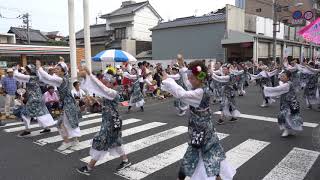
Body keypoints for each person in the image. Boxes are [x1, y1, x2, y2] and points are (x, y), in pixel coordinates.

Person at [161, 60, 236, 180]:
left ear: (199, 78)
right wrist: (181, 65)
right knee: (211, 157)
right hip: (206, 129)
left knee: (191, 157)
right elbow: (187, 81)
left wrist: (167, 81)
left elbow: (182, 94)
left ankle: (182, 177)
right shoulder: (202, 84)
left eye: (192, 78)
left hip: (200, 131)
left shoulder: (200, 92)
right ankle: (216, 177)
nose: (189, 80)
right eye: (190, 77)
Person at [76, 68, 131, 175]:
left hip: (111, 122)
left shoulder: (113, 93)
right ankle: (125, 160)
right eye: (105, 81)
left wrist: (90, 75)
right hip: (111, 121)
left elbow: (102, 88)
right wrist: (93, 101)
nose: (105, 83)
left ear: (112, 83)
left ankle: (89, 167)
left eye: (107, 82)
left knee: (101, 141)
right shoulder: (108, 94)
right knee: (116, 142)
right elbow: (102, 104)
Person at [36, 60, 81, 151]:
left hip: (68, 105)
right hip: (69, 104)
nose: (55, 70)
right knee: (71, 122)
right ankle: (75, 140)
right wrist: (40, 71)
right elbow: (46, 79)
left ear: (63, 71)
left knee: (60, 124)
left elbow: (47, 77)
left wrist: (39, 67)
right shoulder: (64, 78)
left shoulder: (61, 79)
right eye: (56, 68)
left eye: (58, 68)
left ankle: (67, 142)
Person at [13, 64, 56, 136]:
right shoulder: (37, 77)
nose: (25, 71)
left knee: (24, 113)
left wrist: (16, 69)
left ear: (30, 71)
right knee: (40, 113)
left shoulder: (29, 77)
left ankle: (27, 130)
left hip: (33, 100)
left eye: (27, 70)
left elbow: (17, 76)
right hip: (39, 99)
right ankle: (46, 128)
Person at [264, 70, 303, 137]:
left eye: (283, 76)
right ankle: (289, 130)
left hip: (289, 103)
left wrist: (266, 88)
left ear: (288, 78)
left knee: (286, 116)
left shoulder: (287, 84)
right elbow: (280, 87)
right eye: (281, 76)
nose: (281, 77)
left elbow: (277, 89)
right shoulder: (286, 83)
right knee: (287, 116)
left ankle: (287, 130)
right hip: (287, 102)